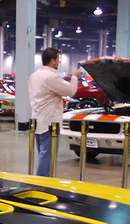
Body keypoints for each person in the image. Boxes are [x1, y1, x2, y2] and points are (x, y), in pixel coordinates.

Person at [28, 47, 80, 177]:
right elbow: (70, 91)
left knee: (43, 153)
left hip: (38, 119)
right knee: (47, 156)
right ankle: (42, 185)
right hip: (50, 122)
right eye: (58, 60)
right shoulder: (51, 76)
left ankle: (41, 183)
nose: (59, 63)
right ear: (52, 61)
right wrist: (74, 77)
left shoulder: (34, 76)